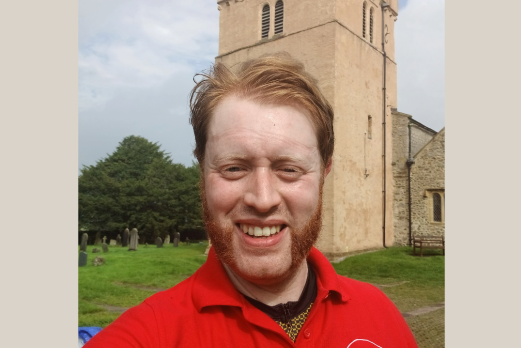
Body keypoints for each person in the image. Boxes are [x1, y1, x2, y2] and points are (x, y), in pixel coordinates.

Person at [85, 53, 418, 347]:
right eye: (233, 168)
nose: (262, 199)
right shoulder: (148, 334)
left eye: (289, 169)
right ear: (202, 171)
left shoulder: (380, 312)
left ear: (324, 171)